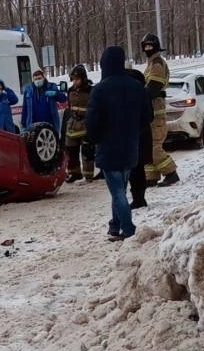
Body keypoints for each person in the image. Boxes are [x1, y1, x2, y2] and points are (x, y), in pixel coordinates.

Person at [86, 45, 148, 241]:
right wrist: (133, 131)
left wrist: (95, 139)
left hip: (108, 148)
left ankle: (128, 229)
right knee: (119, 188)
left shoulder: (100, 90)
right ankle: (115, 225)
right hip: (130, 146)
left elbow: (92, 121)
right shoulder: (136, 86)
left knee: (118, 192)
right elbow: (147, 116)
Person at [140, 32, 179, 186]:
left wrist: (139, 96)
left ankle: (171, 173)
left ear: (155, 47)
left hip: (156, 112)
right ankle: (151, 177)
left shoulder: (157, 63)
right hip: (150, 112)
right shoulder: (151, 63)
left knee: (155, 147)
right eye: (146, 46)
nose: (147, 48)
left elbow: (153, 88)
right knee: (148, 146)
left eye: (150, 46)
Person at [125, 66, 153, 208]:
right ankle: (139, 197)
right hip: (142, 135)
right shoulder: (143, 93)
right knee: (137, 169)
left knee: (135, 170)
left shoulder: (133, 96)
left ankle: (138, 198)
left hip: (136, 137)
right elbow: (150, 116)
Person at [63, 63, 95, 181]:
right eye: (73, 79)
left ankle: (88, 174)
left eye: (77, 79)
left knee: (87, 150)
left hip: (86, 123)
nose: (75, 82)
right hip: (73, 123)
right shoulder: (70, 91)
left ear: (83, 78)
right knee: (71, 149)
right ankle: (74, 173)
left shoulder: (90, 90)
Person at [20, 66, 67, 135]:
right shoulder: (28, 90)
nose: (37, 81)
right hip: (33, 125)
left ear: (43, 78)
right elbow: (25, 108)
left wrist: (55, 94)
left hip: (50, 123)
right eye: (35, 79)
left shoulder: (51, 86)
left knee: (51, 143)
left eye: (39, 78)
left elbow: (63, 98)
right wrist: (23, 124)